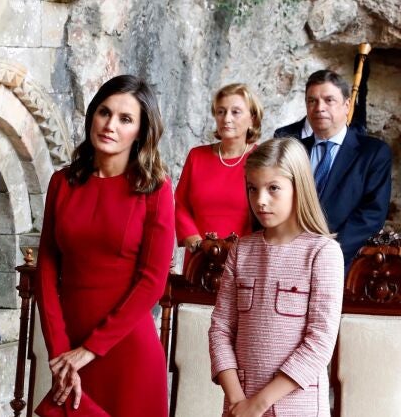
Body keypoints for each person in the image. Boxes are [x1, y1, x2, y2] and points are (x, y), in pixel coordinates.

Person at [35, 75, 175, 416]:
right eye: (104, 112)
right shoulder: (62, 183)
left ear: (140, 132)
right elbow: (46, 271)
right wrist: (60, 353)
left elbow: (152, 282)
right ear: (92, 116)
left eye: (125, 119)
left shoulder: (155, 190)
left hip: (127, 352)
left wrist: (89, 350)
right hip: (67, 349)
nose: (110, 125)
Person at [209, 138, 343, 417]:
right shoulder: (242, 250)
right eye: (252, 188)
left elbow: (319, 343)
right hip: (239, 406)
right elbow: (220, 329)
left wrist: (258, 404)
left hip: (299, 409)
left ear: (298, 187)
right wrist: (238, 400)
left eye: (273, 188)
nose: (260, 200)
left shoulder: (322, 253)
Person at [300, 69, 392, 271]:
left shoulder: (373, 153)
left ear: (347, 105)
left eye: (329, 100)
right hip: (289, 258)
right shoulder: (293, 149)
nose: (319, 108)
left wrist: (326, 253)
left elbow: (372, 215)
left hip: (341, 265)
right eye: (312, 101)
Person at [175, 84, 262, 266]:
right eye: (221, 111)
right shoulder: (197, 156)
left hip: (245, 260)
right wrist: (196, 243)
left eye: (235, 112)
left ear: (252, 118)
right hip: (199, 260)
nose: (226, 118)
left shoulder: (262, 158)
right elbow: (181, 204)